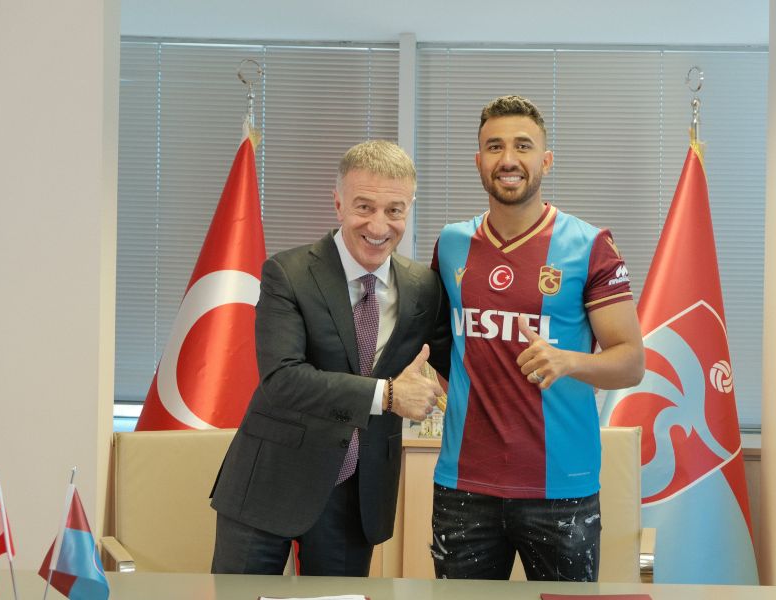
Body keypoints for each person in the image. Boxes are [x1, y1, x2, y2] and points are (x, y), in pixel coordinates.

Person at [211, 140, 450, 577]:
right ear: (338, 203)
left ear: (409, 209)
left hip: (358, 493)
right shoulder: (288, 273)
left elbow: (463, 362)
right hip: (270, 482)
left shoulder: (424, 287)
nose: (379, 225)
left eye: (394, 210)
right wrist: (388, 395)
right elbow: (283, 379)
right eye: (364, 207)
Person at [430, 95, 644, 581]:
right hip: (464, 487)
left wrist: (569, 362)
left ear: (545, 160)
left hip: (561, 490)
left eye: (522, 146)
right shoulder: (451, 244)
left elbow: (631, 362)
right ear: (478, 161)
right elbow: (439, 346)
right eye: (495, 147)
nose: (508, 159)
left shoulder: (590, 245)